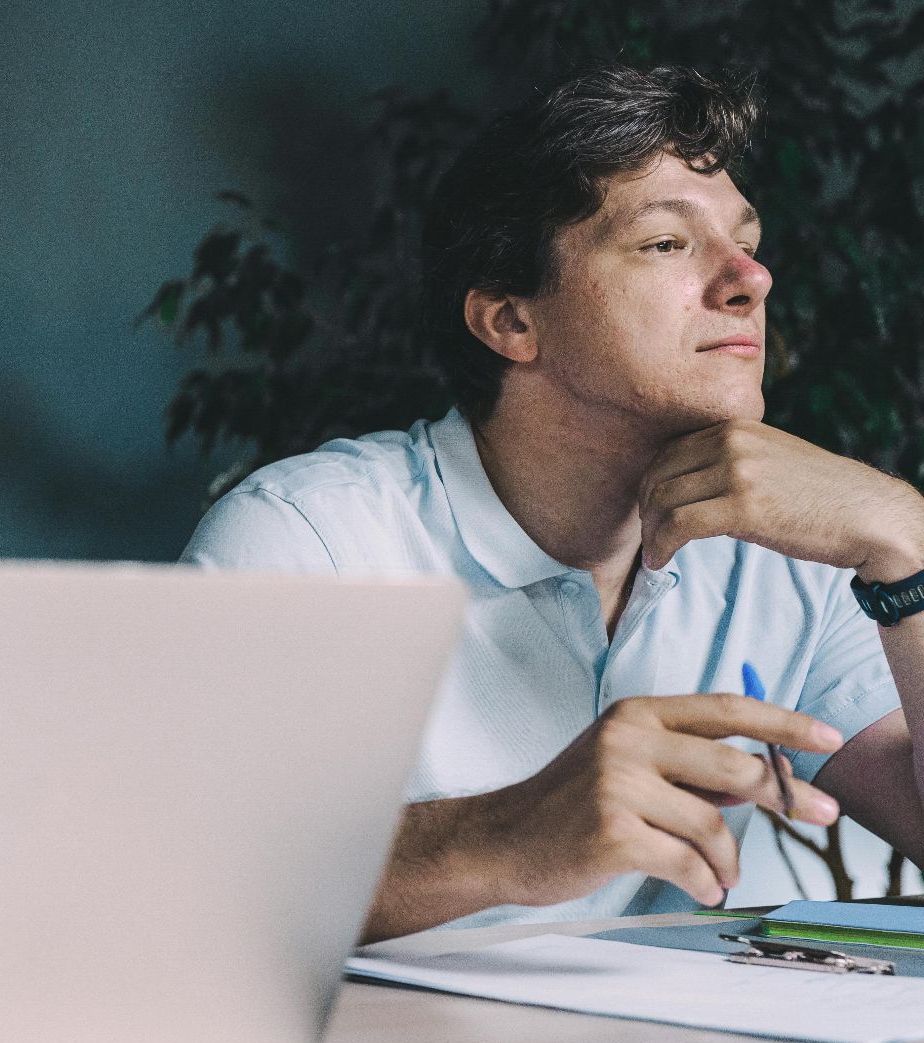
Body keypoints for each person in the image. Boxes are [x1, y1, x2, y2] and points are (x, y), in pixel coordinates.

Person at [185, 66, 924, 941]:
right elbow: (173, 899)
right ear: (509, 321)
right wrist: (503, 835)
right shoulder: (310, 541)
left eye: (745, 240)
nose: (749, 280)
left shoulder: (787, 557)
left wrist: (907, 541)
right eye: (665, 244)